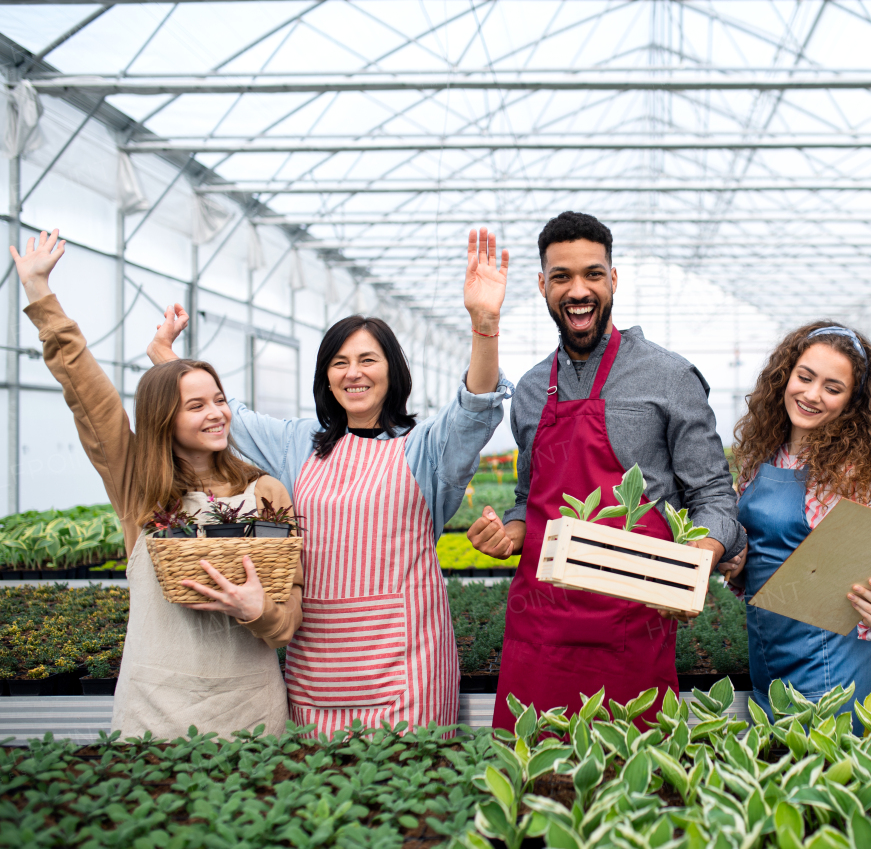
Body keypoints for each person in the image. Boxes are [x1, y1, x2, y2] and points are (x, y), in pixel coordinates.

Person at [148, 228, 513, 738]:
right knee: (325, 805)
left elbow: (474, 411)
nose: (353, 374)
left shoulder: (425, 447)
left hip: (408, 665)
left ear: (392, 371)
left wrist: (484, 324)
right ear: (325, 376)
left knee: (412, 802)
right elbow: (228, 417)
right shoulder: (299, 444)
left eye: (368, 360)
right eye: (339, 362)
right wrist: (164, 356)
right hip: (317, 666)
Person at [12, 229, 302, 740]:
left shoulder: (266, 492)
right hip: (155, 705)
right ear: (165, 417)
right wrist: (41, 295)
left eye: (219, 399)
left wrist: (260, 614)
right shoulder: (138, 488)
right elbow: (88, 394)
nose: (217, 414)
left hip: (251, 704)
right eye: (196, 405)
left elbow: (287, 621)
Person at [466, 211, 744, 731]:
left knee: (631, 791)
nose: (579, 289)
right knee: (531, 789)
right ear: (543, 285)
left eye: (593, 274)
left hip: (632, 626)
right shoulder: (528, 390)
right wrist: (509, 531)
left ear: (613, 280)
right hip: (540, 632)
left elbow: (714, 497)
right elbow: (530, 497)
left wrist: (698, 561)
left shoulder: (669, 377)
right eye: (562, 276)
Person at [719, 322, 871, 728]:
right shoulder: (763, 457)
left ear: (851, 402)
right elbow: (759, 557)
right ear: (785, 376)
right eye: (805, 377)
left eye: (832, 388)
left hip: (837, 668)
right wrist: (734, 558)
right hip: (771, 652)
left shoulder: (850, 473)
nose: (811, 394)